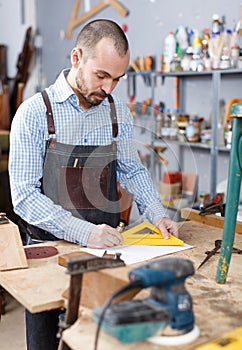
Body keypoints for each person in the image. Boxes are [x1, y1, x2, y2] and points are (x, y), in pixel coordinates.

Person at [9, 19, 179, 350]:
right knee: (45, 342)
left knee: (101, 339)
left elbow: (132, 169)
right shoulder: (33, 114)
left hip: (107, 249)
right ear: (76, 58)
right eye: (102, 75)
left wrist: (157, 212)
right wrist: (84, 233)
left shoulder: (118, 112)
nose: (109, 88)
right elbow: (24, 198)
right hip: (49, 253)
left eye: (117, 79)